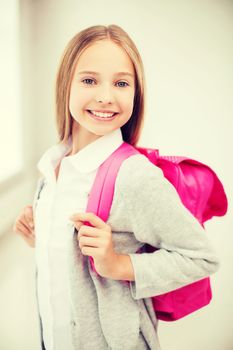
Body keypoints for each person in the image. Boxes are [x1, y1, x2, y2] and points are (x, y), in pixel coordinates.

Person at [13, 24, 220, 350]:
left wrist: (118, 263)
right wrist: (40, 236)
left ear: (136, 94)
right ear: (65, 84)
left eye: (121, 83)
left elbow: (203, 258)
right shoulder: (52, 168)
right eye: (89, 80)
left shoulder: (135, 177)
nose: (105, 96)